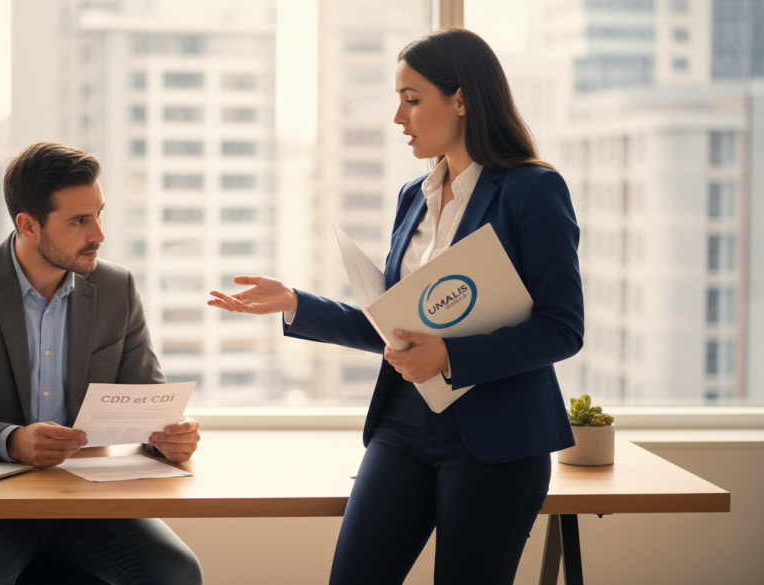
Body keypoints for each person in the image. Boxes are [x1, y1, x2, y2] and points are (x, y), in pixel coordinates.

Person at [208, 28, 583, 585]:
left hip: (495, 437)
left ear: (462, 100)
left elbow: (562, 329)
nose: (397, 117)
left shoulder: (532, 190)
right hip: (404, 426)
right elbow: (395, 325)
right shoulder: (415, 195)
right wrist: (294, 304)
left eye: (412, 99)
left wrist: (451, 357)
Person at [0, 141, 204, 584]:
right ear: (28, 225)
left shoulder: (116, 288)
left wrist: (170, 435)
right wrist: (12, 441)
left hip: (83, 499)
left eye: (99, 214)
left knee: (177, 572)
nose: (98, 234)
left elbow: (144, 400)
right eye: (79, 220)